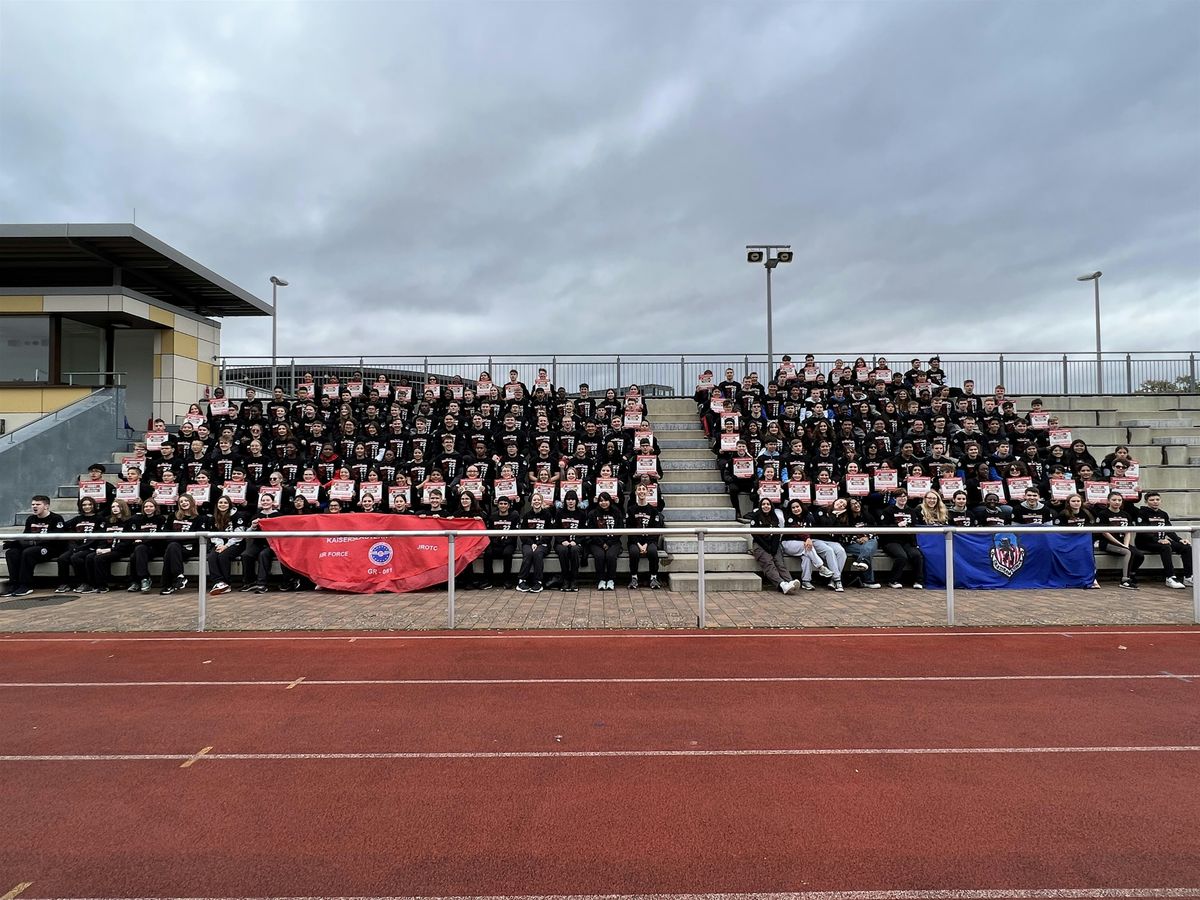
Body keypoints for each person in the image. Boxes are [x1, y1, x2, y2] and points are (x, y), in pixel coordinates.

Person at [3, 495, 67, 597]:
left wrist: (33, 543)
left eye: (38, 504)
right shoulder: (31, 519)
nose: (34, 507)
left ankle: (26, 585)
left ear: (46, 506)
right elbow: (25, 536)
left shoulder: (56, 518)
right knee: (12, 553)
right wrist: (13, 543)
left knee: (28, 552)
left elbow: (57, 539)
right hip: (32, 546)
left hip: (51, 548)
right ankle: (14, 584)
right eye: (33, 504)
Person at [1135, 492, 1192, 589]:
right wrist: (1158, 540)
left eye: (1157, 499)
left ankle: (1188, 577)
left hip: (1162, 541)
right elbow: (1143, 531)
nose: (1155, 502)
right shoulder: (1141, 513)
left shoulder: (1163, 514)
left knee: (1185, 547)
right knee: (1166, 547)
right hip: (1145, 542)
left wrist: (1180, 540)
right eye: (1152, 500)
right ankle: (1170, 577)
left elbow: (1169, 530)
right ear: (1146, 502)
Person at [53, 496, 104, 594]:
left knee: (76, 558)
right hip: (76, 547)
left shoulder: (100, 519)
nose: (87, 507)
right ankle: (64, 584)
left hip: (90, 548)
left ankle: (85, 583)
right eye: (84, 505)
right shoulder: (77, 519)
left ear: (94, 506)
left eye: (89, 504)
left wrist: (81, 548)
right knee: (62, 558)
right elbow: (63, 527)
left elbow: (98, 537)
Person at [160, 493, 207, 595]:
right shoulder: (173, 516)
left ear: (191, 502)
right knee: (172, 548)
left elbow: (196, 538)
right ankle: (178, 577)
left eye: (186, 500)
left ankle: (168, 584)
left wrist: (178, 538)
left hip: (190, 548)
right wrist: (183, 537)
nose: (183, 503)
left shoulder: (199, 518)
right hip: (174, 547)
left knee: (171, 548)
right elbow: (166, 533)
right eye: (181, 501)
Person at [1095, 491, 1143, 590]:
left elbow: (1127, 532)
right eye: (1114, 500)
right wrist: (1121, 545)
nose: (1117, 502)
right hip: (1107, 543)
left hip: (1122, 542)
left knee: (1139, 555)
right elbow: (1105, 532)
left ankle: (1131, 574)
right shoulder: (1103, 514)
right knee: (1127, 552)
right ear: (1108, 501)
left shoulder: (1125, 514)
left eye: (1119, 500)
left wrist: (1125, 544)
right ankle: (1125, 580)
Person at [749, 498, 798, 594]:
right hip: (760, 545)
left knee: (780, 563)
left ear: (771, 506)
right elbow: (755, 535)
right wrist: (767, 548)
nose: (766, 506)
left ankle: (790, 582)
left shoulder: (774, 517)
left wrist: (774, 548)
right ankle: (781, 585)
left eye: (768, 504)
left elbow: (777, 533)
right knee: (769, 564)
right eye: (763, 504)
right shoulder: (756, 516)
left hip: (773, 544)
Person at [207, 495, 248, 596]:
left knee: (223, 556)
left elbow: (239, 535)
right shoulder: (214, 517)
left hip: (236, 543)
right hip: (220, 543)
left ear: (229, 504)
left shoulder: (238, 515)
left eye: (225, 503)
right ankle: (218, 582)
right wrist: (220, 544)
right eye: (220, 503)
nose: (223, 505)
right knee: (212, 556)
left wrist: (226, 546)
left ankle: (227, 583)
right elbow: (213, 534)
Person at [625, 483, 664, 590]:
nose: (641, 491)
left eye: (643, 489)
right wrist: (638, 544)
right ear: (636, 492)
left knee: (652, 551)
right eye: (639, 489)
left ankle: (653, 578)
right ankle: (634, 578)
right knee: (634, 552)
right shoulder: (631, 510)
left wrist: (646, 544)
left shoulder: (653, 510)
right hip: (635, 540)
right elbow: (630, 529)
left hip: (649, 540)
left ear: (647, 492)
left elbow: (655, 530)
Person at [126, 499, 168, 594]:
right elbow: (133, 534)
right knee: (135, 554)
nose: (148, 508)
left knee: (137, 552)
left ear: (155, 508)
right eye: (145, 506)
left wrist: (144, 540)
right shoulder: (137, 519)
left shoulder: (160, 519)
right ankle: (141, 580)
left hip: (155, 547)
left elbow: (160, 535)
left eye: (150, 506)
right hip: (141, 548)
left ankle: (140, 580)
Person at [587, 492, 624, 591]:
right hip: (597, 542)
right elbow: (591, 531)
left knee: (611, 555)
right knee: (600, 556)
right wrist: (602, 543)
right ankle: (601, 580)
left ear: (610, 501)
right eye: (601, 501)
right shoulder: (593, 513)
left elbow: (620, 530)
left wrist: (609, 543)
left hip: (613, 541)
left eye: (606, 500)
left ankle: (611, 579)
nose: (604, 503)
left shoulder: (617, 512)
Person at [517, 492, 553, 593]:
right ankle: (522, 580)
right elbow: (523, 534)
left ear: (542, 502)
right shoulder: (526, 515)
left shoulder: (547, 515)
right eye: (534, 500)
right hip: (529, 543)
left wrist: (538, 544)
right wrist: (531, 543)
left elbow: (549, 533)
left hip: (543, 543)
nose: (536, 502)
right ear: (531, 503)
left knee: (537, 553)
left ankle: (538, 582)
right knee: (528, 553)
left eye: (538, 500)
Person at [483, 496, 520, 589]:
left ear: (508, 506)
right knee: (487, 553)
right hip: (495, 543)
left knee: (507, 553)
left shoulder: (514, 515)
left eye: (505, 504)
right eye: (501, 504)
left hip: (509, 543)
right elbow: (490, 533)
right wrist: (495, 542)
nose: (503, 506)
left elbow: (514, 534)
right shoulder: (492, 516)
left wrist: (506, 542)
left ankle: (507, 579)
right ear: (497, 505)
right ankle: (488, 580)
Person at [554, 491, 586, 592]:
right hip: (561, 542)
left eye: (573, 499)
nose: (570, 501)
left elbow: (584, 532)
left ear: (576, 501)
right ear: (565, 501)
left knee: (574, 550)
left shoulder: (581, 513)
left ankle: (574, 580)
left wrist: (576, 541)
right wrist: (562, 540)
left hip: (576, 543)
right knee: (563, 550)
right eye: (568, 499)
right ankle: (565, 579)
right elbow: (556, 529)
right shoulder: (560, 513)